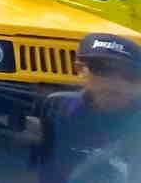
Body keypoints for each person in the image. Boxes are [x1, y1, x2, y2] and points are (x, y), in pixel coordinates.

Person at [33, 32, 141, 183]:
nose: (115, 82)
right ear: (79, 69)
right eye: (102, 69)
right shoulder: (57, 107)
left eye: (130, 74)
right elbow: (49, 164)